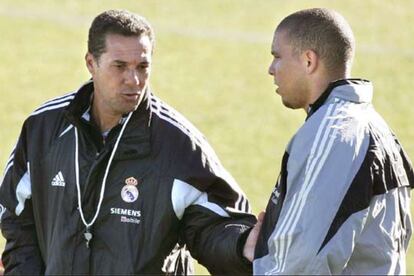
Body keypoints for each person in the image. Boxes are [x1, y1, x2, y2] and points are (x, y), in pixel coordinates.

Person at [0, 9, 259, 274]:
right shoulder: (44, 129)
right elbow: (16, 216)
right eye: (120, 66)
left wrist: (240, 244)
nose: (134, 80)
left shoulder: (179, 145)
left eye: (142, 67)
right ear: (91, 63)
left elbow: (211, 226)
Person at [253, 8, 414, 275]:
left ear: (308, 61)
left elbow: (299, 262)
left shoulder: (333, 135)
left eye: (277, 56)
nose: (271, 69)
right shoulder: (377, 129)